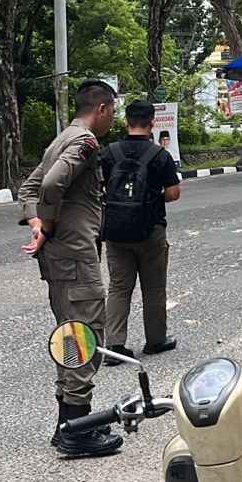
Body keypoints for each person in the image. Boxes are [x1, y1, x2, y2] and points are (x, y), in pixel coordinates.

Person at [18, 78, 122, 459]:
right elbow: (50, 183)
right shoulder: (85, 142)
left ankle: (70, 422)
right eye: (113, 112)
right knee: (86, 333)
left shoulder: (60, 138)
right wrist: (44, 226)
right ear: (103, 110)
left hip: (61, 257)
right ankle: (76, 432)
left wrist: (37, 224)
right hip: (76, 256)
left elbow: (28, 190)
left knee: (69, 331)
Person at [101, 100, 181, 358]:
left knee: (118, 287)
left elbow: (100, 187)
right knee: (154, 288)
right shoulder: (160, 155)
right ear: (152, 123)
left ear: (125, 122)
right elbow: (173, 194)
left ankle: (114, 345)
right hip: (151, 229)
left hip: (116, 230)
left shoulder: (109, 152)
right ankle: (155, 340)